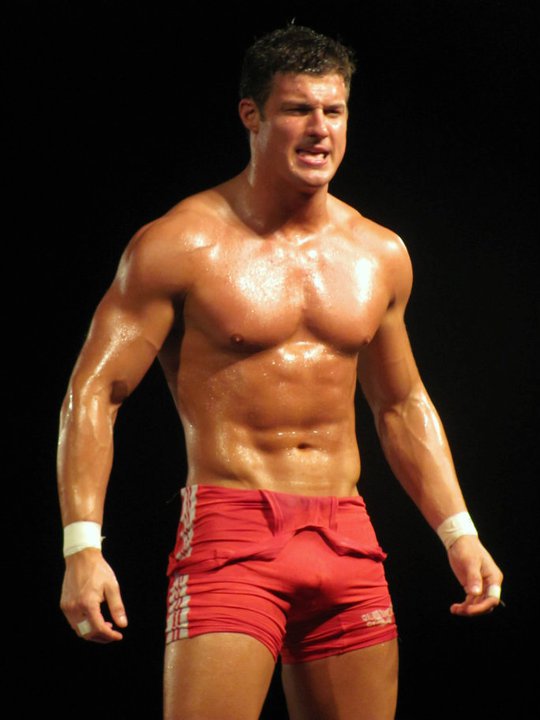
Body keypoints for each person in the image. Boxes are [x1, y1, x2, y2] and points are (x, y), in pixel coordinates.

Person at [58, 25, 503, 720]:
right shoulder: (180, 243)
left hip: (347, 534)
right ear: (252, 114)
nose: (320, 129)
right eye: (298, 109)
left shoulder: (379, 254)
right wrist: (82, 547)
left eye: (334, 110)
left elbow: (400, 403)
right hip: (233, 532)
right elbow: (95, 392)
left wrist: (459, 532)